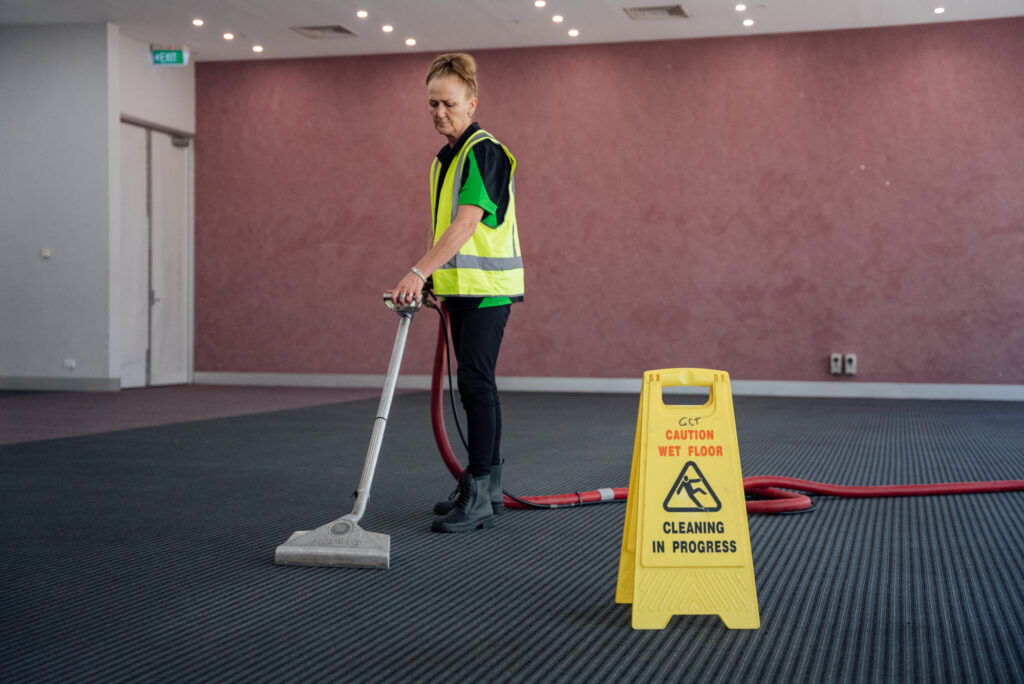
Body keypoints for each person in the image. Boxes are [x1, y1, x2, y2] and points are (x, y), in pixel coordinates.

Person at [388, 53, 523, 533]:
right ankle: (485, 488)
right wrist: (432, 281)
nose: (439, 112)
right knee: (476, 387)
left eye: (448, 103)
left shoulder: (484, 151)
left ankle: (483, 492)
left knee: (475, 386)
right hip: (461, 290)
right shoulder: (446, 158)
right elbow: (445, 230)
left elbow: (466, 224)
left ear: (472, 103)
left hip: (487, 290)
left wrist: (418, 272)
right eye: (431, 105)